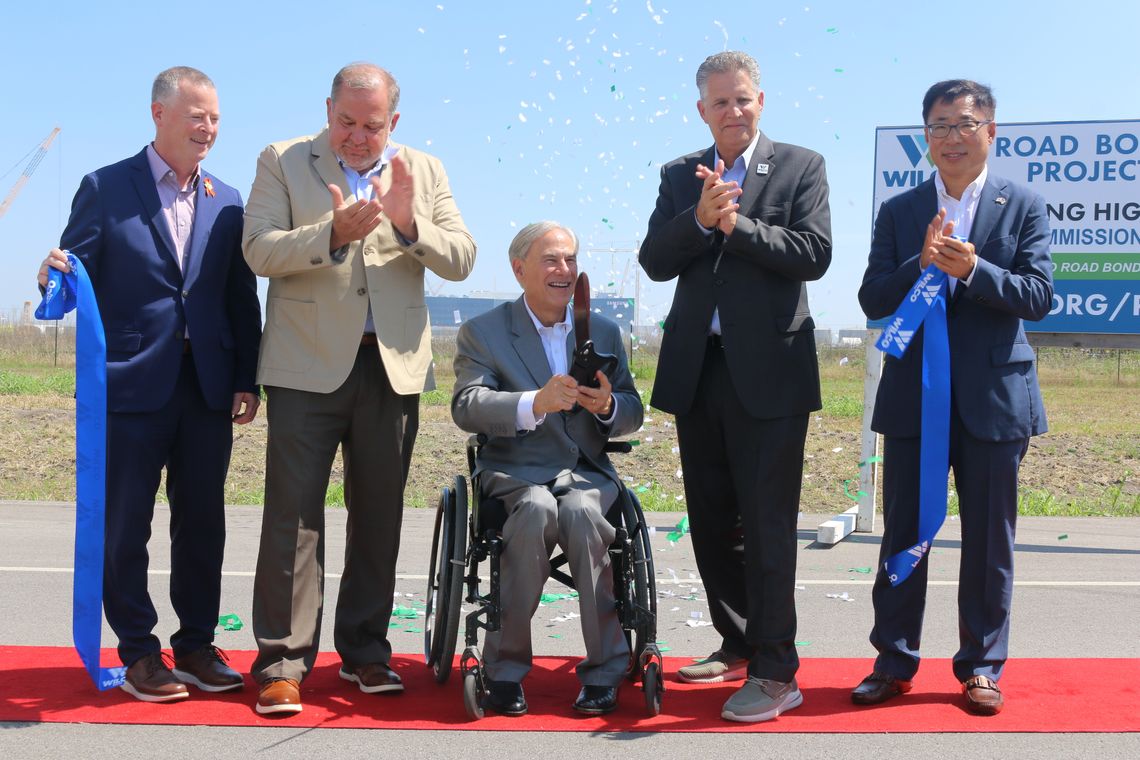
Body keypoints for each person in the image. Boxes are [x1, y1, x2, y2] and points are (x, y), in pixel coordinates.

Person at [244, 62, 476, 716]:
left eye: (371, 125)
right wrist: (332, 235)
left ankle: (365, 652)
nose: (355, 136)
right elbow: (258, 249)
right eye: (344, 121)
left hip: (393, 369)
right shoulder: (283, 160)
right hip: (304, 369)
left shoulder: (423, 171)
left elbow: (461, 256)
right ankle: (283, 663)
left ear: (393, 123)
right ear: (327, 111)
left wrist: (408, 226)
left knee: (378, 517)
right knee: (293, 519)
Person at [36, 67, 262, 702]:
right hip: (129, 386)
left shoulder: (229, 199)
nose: (208, 127)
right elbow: (68, 271)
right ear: (158, 114)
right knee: (126, 523)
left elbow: (241, 299)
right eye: (196, 115)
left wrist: (247, 376)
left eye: (215, 117)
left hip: (208, 388)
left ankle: (195, 643)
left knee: (203, 521)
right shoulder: (105, 188)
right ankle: (138, 650)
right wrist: (49, 275)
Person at [638, 51, 831, 723]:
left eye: (743, 99)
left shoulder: (801, 167)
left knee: (770, 525)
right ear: (702, 110)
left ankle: (779, 672)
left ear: (761, 100)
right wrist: (696, 219)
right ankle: (738, 640)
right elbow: (655, 262)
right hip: (700, 369)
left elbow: (815, 254)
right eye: (720, 102)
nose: (733, 111)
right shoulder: (677, 175)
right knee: (714, 520)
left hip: (771, 374)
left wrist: (734, 225)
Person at [853, 80, 1052, 716]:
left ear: (991, 130)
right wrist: (921, 265)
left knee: (990, 541)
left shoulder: (1022, 204)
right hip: (915, 397)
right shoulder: (900, 209)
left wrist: (973, 270)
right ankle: (893, 660)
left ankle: (982, 666)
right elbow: (872, 299)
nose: (951, 138)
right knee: (903, 535)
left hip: (994, 398)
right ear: (926, 137)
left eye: (964, 124)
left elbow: (1037, 297)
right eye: (938, 127)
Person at [451, 222, 643, 717]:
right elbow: (467, 405)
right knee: (535, 509)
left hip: (583, 472)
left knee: (581, 513)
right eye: (551, 260)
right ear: (519, 270)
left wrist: (605, 407)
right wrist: (534, 402)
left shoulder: (601, 330)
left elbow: (632, 409)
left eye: (571, 260)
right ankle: (505, 670)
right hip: (514, 469)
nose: (565, 270)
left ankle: (606, 670)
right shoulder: (485, 332)